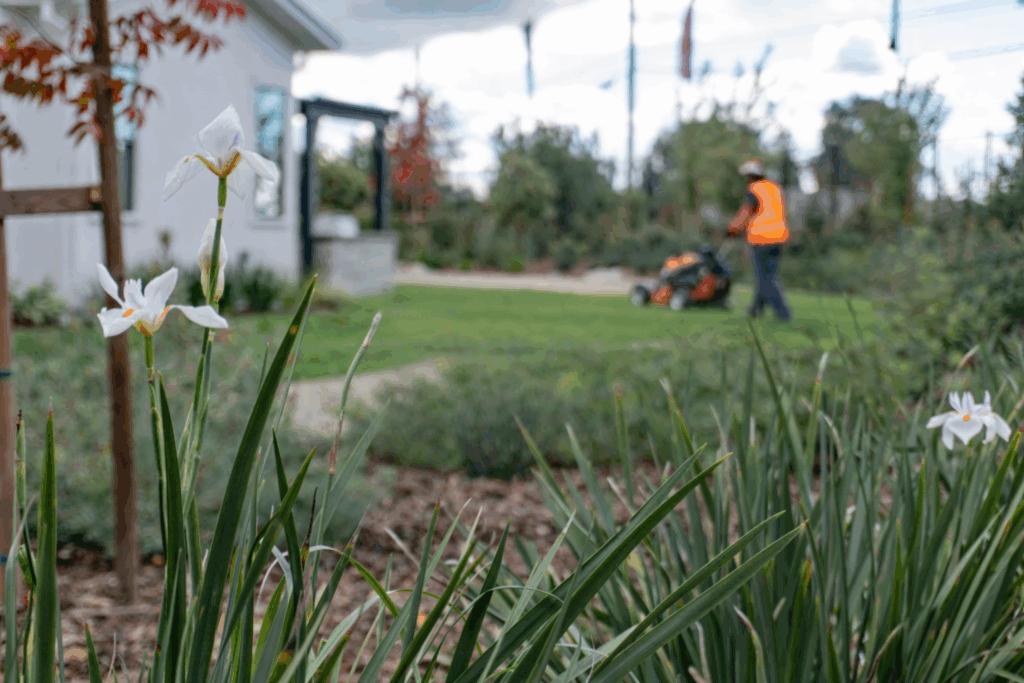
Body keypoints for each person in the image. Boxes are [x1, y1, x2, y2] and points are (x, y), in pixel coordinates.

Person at [726, 158, 792, 322]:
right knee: (767, 276)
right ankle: (755, 311)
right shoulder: (775, 188)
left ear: (750, 176)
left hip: (762, 238)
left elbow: (746, 213)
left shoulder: (754, 189)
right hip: (779, 238)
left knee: (766, 279)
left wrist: (732, 229)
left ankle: (783, 314)